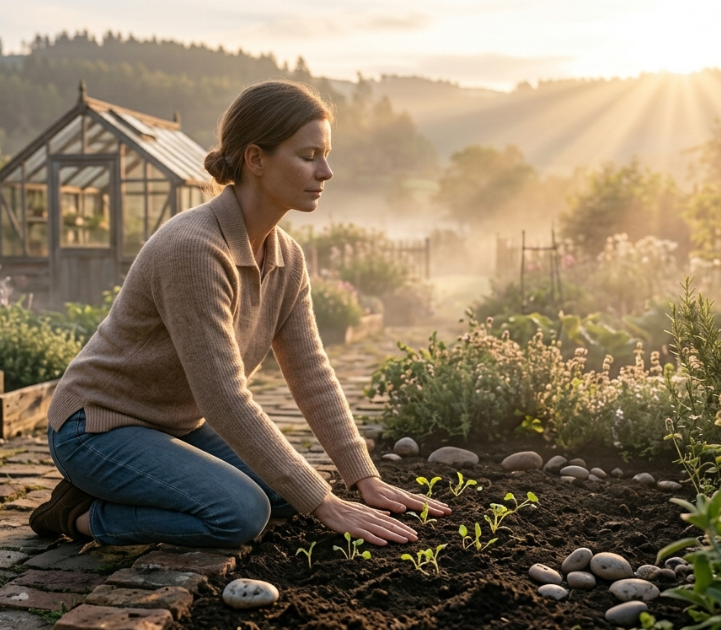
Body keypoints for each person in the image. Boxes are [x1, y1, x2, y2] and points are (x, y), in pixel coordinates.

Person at [30, 80, 449, 548]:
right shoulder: (194, 249)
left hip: (174, 427)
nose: (326, 171)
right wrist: (327, 507)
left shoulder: (286, 257)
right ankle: (79, 513)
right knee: (242, 513)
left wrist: (363, 478)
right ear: (256, 159)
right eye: (309, 156)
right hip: (97, 429)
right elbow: (224, 398)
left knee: (294, 494)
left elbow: (311, 372)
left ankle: (151, 479)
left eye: (326, 155)